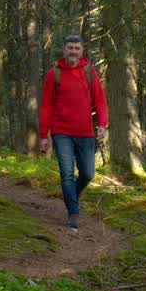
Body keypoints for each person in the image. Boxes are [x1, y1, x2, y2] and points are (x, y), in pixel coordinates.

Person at [37, 34, 109, 230]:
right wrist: (44, 135)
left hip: (85, 132)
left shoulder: (89, 72)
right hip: (62, 133)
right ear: (64, 49)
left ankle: (71, 197)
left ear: (82, 50)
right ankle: (73, 213)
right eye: (70, 48)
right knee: (66, 173)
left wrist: (102, 124)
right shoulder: (54, 74)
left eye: (77, 48)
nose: (73, 51)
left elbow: (100, 100)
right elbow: (46, 106)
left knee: (88, 174)